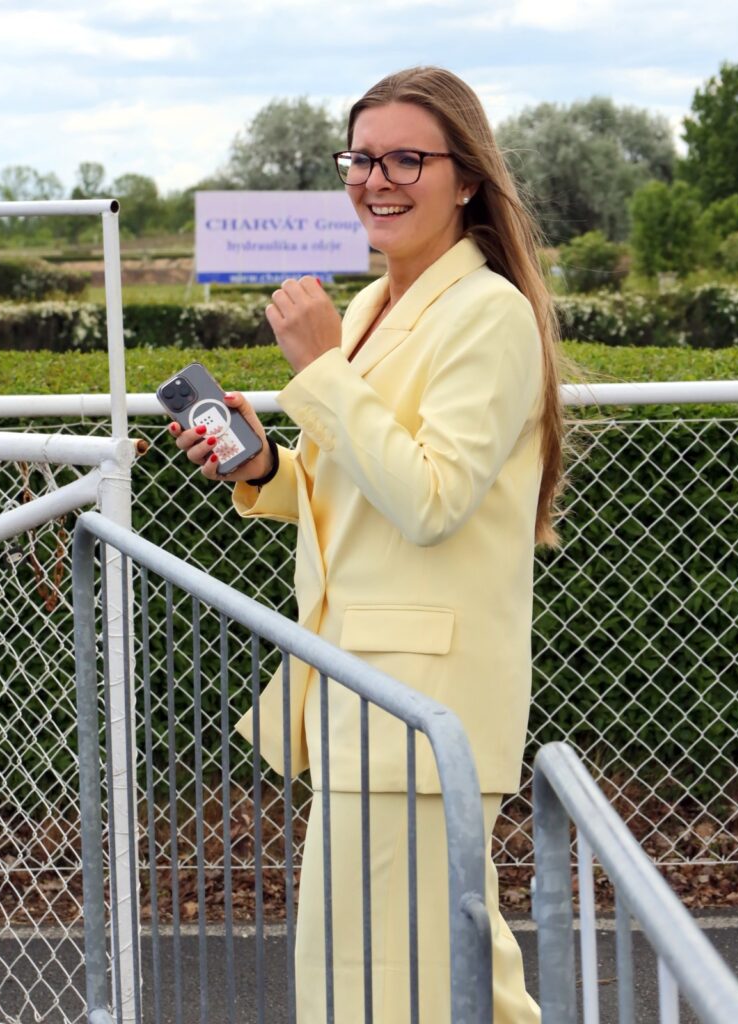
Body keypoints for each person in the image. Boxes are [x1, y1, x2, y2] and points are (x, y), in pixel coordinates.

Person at [170, 66, 565, 1023]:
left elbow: (430, 500)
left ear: (465, 180)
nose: (375, 180)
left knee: (400, 989)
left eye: (405, 160)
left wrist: (320, 369)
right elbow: (353, 488)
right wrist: (265, 465)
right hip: (359, 693)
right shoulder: (371, 308)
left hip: (421, 707)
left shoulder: (488, 313)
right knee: (412, 981)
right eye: (360, 158)